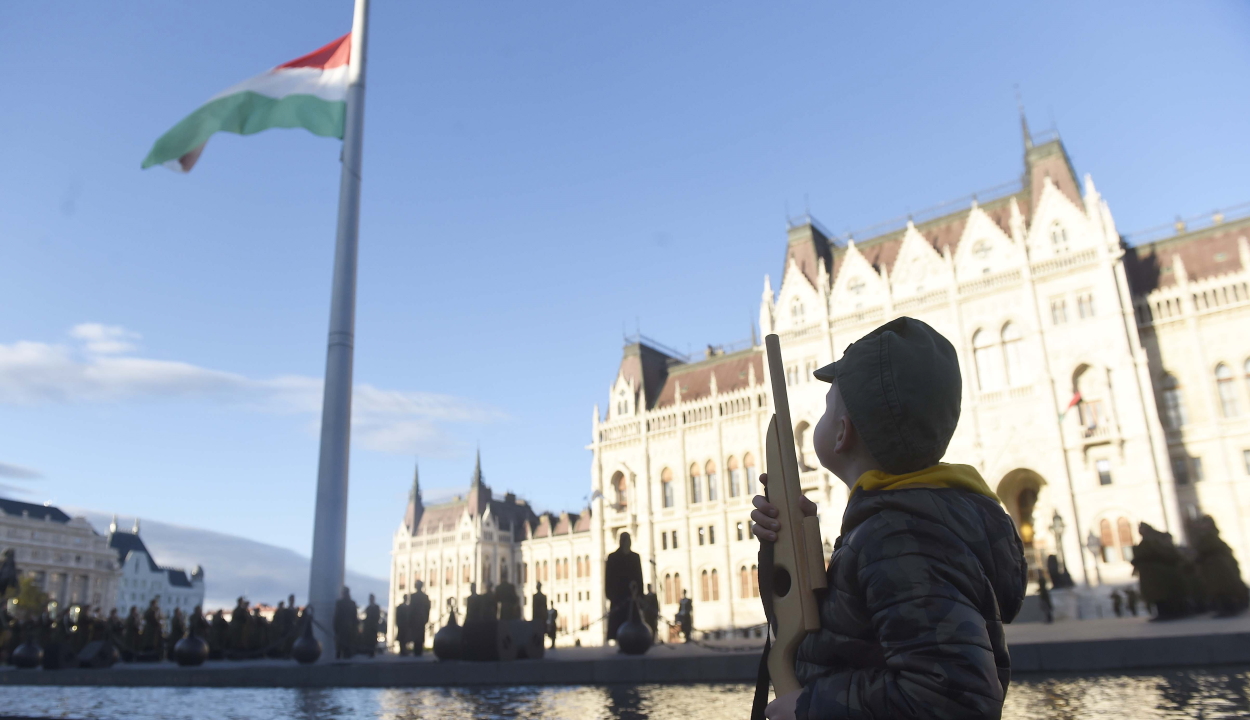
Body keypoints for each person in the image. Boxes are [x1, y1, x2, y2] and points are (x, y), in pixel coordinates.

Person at [752, 317, 1027, 720]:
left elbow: (952, 699)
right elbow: (838, 635)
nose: (821, 416)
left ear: (842, 434)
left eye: (828, 408)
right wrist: (787, 549)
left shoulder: (898, 536)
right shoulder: (898, 522)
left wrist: (811, 706)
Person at [1191, 515, 1250, 617]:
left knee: (1222, 588)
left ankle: (1228, 608)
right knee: (1218, 589)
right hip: (1211, 566)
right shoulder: (1205, 536)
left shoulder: (1210, 536)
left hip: (1217, 566)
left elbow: (1207, 548)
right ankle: (1225, 608)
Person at [1132, 523, 1188, 620]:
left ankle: (1168, 613)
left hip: (1158, 573)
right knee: (1155, 594)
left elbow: (1160, 553)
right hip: (1150, 573)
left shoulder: (1154, 540)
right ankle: (1164, 612)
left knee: (1162, 593)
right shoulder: (1147, 541)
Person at [604, 533, 645, 643]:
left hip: (632, 595)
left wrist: (640, 594)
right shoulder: (612, 557)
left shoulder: (635, 557)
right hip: (618, 596)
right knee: (619, 621)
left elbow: (639, 577)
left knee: (633, 620)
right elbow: (608, 577)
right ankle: (620, 642)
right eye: (627, 540)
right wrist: (609, 594)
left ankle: (634, 641)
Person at [334, 586, 358, 659]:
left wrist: (335, 629)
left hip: (341, 629)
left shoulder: (339, 603)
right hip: (349, 629)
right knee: (348, 650)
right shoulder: (352, 603)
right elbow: (355, 618)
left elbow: (336, 617)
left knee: (339, 649)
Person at [410, 581, 431, 656]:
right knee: (420, 635)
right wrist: (426, 618)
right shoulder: (425, 596)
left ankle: (417, 650)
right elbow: (428, 608)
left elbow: (411, 609)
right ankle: (419, 650)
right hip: (421, 618)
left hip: (416, 618)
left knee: (417, 635)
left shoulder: (413, 596)